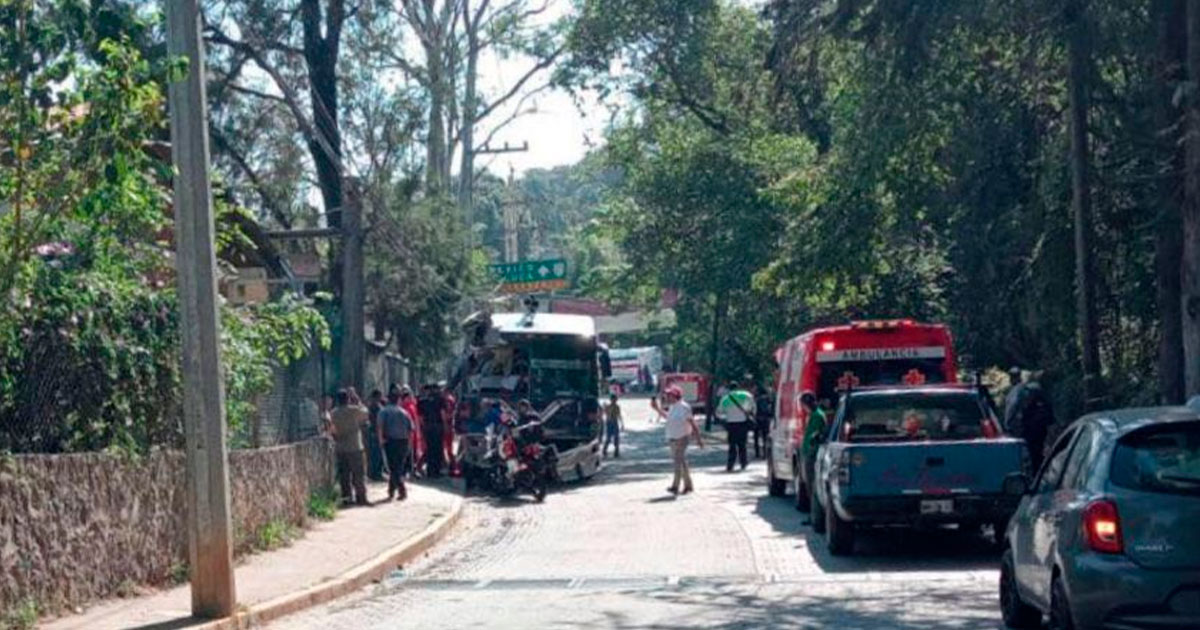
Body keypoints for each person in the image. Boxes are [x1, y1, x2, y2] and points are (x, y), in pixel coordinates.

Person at [651, 386, 704, 495]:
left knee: (677, 462)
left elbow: (692, 422)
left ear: (675, 395)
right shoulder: (673, 407)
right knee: (682, 462)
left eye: (670, 395)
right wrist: (656, 409)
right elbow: (667, 417)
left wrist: (698, 438)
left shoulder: (684, 407)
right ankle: (688, 485)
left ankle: (676, 486)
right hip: (672, 438)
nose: (667, 397)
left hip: (682, 437)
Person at [1005, 373, 1056, 471]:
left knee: (1030, 450)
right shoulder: (1042, 392)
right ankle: (1039, 469)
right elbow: (1049, 410)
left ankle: (1032, 471)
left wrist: (1011, 423)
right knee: (1039, 448)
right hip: (1041, 427)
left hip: (1028, 427)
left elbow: (1015, 407)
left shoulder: (1023, 391)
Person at [329, 388, 371, 507]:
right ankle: (361, 497)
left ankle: (347, 498)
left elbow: (332, 429)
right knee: (358, 474)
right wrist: (357, 398)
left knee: (344, 475)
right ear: (348, 399)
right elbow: (366, 412)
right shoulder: (354, 410)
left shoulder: (333, 413)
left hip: (341, 448)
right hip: (355, 446)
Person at [377, 391, 413, 501]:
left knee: (393, 467)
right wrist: (409, 444)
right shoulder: (404, 412)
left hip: (390, 441)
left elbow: (380, 426)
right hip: (403, 442)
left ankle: (402, 490)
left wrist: (380, 440)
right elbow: (411, 429)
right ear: (398, 400)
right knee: (397, 466)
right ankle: (391, 490)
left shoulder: (384, 412)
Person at [799, 392, 827, 521]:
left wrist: (809, 449)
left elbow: (814, 436)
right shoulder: (814, 414)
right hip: (808, 452)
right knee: (810, 485)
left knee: (812, 485)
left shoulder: (817, 416)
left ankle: (814, 516)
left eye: (803, 404)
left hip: (812, 454)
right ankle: (813, 515)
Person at [718, 381, 756, 472]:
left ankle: (730, 465)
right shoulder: (746, 395)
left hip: (731, 424)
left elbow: (720, 412)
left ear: (729, 388)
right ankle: (743, 463)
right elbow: (752, 406)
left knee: (732, 446)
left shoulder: (725, 398)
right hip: (742, 423)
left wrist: (727, 416)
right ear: (738, 387)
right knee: (742, 445)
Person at [418, 384, 446, 478]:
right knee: (438, 449)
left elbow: (421, 417)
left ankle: (430, 470)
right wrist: (445, 426)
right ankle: (436, 471)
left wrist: (423, 428)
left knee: (429, 449)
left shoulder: (422, 401)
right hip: (437, 426)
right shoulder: (440, 400)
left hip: (427, 427)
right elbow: (443, 414)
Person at [365, 389, 386, 482]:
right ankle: (376, 474)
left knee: (375, 454)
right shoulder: (375, 407)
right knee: (376, 454)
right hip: (376, 432)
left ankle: (374, 473)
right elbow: (377, 421)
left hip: (374, 432)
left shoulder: (372, 406)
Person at [753, 383, 774, 459]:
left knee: (756, 437)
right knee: (765, 437)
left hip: (758, 419)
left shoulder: (757, 399)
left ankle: (757, 453)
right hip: (766, 420)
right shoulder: (769, 399)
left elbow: (754, 410)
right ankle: (765, 453)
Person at [603, 393, 624, 458]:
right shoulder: (608, 407)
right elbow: (605, 414)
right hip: (609, 423)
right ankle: (604, 450)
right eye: (613, 399)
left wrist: (622, 423)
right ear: (611, 400)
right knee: (608, 438)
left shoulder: (617, 407)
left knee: (616, 438)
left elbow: (619, 415)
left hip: (614, 422)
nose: (614, 400)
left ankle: (616, 451)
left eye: (615, 399)